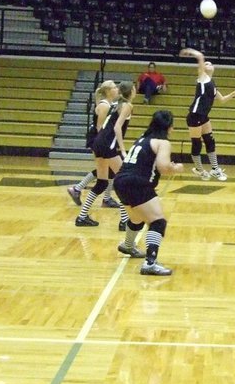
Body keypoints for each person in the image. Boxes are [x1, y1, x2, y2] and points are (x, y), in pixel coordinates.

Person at [113, 110, 184, 275]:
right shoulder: (163, 142)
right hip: (137, 183)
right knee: (158, 222)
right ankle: (150, 263)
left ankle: (128, 246)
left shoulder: (142, 139)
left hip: (121, 180)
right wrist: (176, 168)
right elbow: (163, 167)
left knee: (137, 218)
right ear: (169, 127)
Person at [75, 81, 136, 229]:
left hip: (98, 142)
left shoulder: (116, 103)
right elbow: (117, 127)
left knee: (102, 182)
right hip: (107, 145)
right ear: (131, 92)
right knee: (124, 182)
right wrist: (122, 150)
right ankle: (124, 221)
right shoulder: (127, 105)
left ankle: (82, 217)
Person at [179, 47, 235, 181]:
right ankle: (199, 170)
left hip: (203, 116)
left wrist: (234, 93)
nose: (207, 64)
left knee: (210, 141)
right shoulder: (202, 78)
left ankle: (215, 169)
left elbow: (223, 100)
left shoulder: (212, 84)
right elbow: (200, 59)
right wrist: (192, 52)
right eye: (206, 63)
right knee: (197, 144)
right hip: (194, 115)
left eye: (209, 63)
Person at [67, 80, 122, 210]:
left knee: (107, 170)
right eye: (114, 87)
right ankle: (79, 189)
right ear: (108, 91)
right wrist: (105, 145)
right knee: (106, 169)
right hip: (98, 139)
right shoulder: (104, 106)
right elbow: (100, 128)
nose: (117, 89)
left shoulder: (109, 104)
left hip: (102, 140)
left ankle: (82, 190)